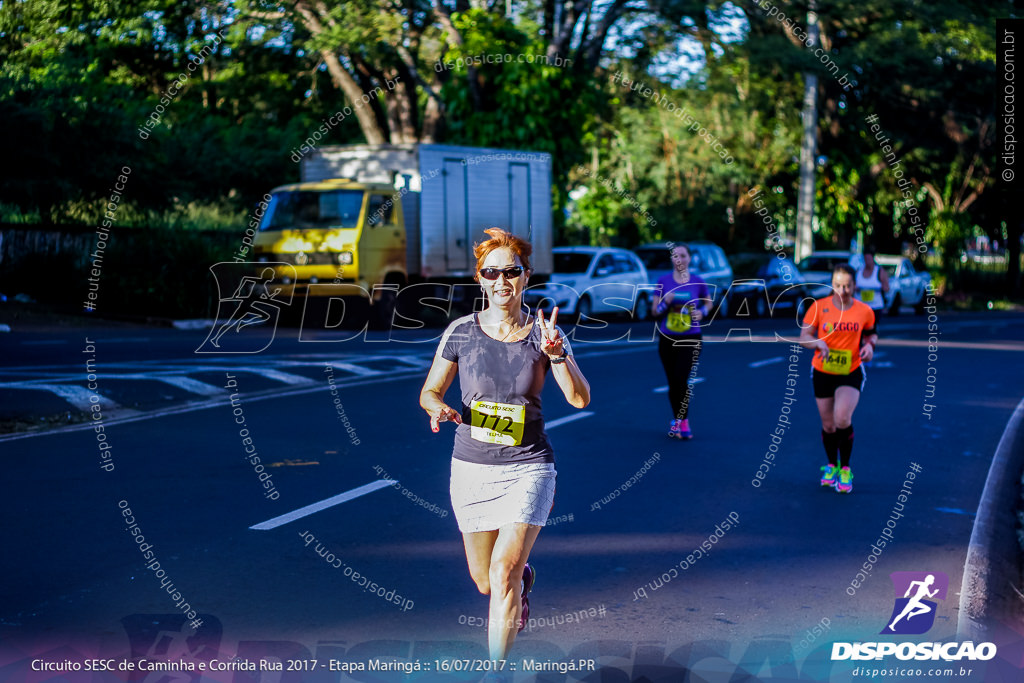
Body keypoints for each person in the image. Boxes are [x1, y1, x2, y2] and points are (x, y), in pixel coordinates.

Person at [419, 228, 591, 665]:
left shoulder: (545, 334)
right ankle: (522, 581)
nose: (501, 280)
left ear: (526, 277)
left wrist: (556, 356)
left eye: (510, 271)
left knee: (503, 571)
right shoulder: (461, 331)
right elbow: (430, 391)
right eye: (490, 272)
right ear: (479, 279)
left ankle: (497, 671)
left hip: (529, 466)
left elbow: (579, 398)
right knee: (484, 580)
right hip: (472, 468)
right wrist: (437, 407)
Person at [799, 264, 878, 493]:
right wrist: (817, 342)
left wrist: (870, 346)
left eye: (847, 286)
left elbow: (871, 332)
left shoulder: (864, 311)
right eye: (838, 285)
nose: (842, 291)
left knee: (842, 417)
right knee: (828, 424)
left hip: (850, 370)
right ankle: (832, 465)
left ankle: (846, 469)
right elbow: (804, 337)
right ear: (831, 284)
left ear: (855, 286)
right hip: (822, 370)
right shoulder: (818, 307)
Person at [651, 243, 710, 439]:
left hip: (691, 338)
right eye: (676, 256)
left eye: (683, 256)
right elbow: (654, 312)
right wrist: (667, 301)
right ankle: (677, 419)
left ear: (689, 258)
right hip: (667, 338)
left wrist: (703, 312)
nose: (680, 260)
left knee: (680, 378)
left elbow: (709, 302)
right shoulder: (663, 281)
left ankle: (683, 422)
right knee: (672, 382)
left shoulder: (698, 281)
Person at [854, 245, 890, 314]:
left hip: (875, 307)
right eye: (865, 259)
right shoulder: (858, 271)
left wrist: (878, 288)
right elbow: (852, 286)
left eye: (869, 259)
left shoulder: (880, 271)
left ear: (873, 258)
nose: (867, 262)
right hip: (861, 306)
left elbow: (887, 288)